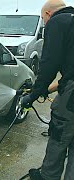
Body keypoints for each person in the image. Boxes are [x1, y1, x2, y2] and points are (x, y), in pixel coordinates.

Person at [21, 0, 74, 179]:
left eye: (44, 20)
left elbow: (49, 64)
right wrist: (46, 90)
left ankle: (48, 176)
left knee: (59, 134)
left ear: (48, 14)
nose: (44, 24)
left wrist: (33, 95)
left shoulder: (58, 22)